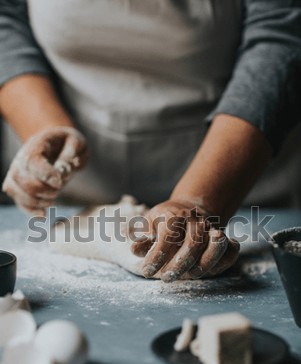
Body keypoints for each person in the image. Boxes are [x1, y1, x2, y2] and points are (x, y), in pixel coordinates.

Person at [0, 0, 300, 282]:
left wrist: (197, 202)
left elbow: (281, 33)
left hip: (242, 193)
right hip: (76, 194)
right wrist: (44, 126)